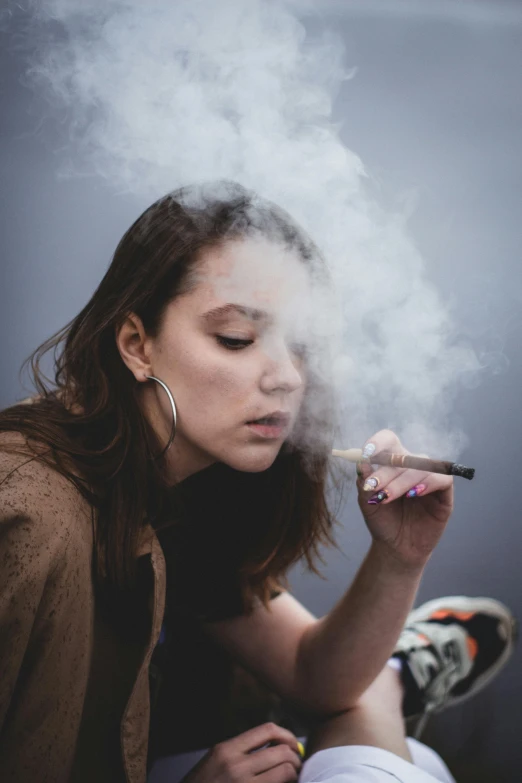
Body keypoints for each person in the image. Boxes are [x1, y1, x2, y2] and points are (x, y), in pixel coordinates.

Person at [0, 181, 515, 783]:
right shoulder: (26, 513)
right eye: (237, 339)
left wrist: (401, 555)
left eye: (301, 346)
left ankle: (395, 674)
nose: (288, 379)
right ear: (137, 345)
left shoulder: (184, 483)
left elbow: (314, 676)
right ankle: (399, 673)